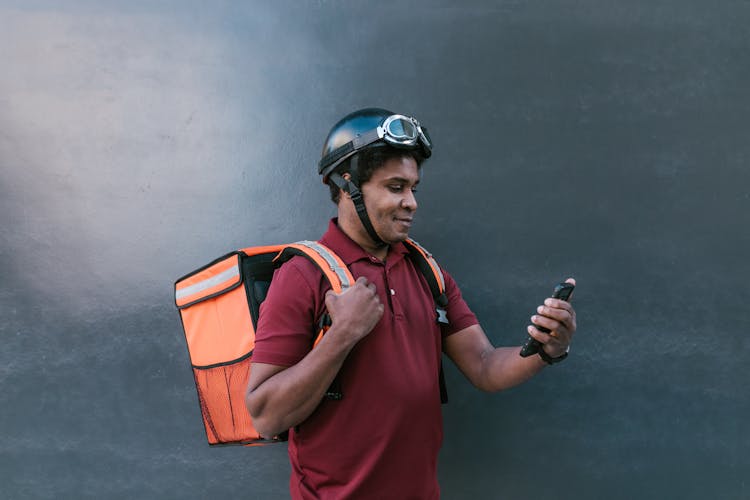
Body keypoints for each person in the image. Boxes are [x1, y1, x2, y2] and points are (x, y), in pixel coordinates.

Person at [245, 108, 577, 499]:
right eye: (395, 187)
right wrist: (343, 334)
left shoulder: (425, 270)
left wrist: (545, 350)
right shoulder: (302, 276)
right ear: (347, 186)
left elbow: (485, 367)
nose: (411, 202)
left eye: (413, 188)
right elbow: (266, 416)